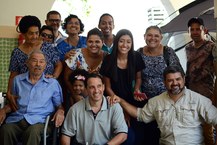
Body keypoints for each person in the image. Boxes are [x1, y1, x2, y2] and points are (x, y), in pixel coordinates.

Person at [109, 65, 217, 145]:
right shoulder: (156, 102)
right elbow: (140, 115)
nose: (175, 83)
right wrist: (121, 101)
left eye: (178, 79)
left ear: (184, 79)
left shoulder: (199, 100)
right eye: (170, 80)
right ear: (164, 82)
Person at [0, 50, 65, 145]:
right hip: (18, 119)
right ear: (27, 63)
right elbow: (13, 104)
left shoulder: (52, 83)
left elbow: (59, 106)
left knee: (32, 132)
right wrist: (3, 110)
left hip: (40, 122)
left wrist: (61, 111)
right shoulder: (17, 80)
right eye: (34, 60)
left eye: (42, 61)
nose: (38, 64)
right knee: (6, 130)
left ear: (45, 65)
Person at [136, 25, 182, 145]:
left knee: (168, 133)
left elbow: (179, 75)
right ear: (144, 37)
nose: (153, 38)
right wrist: (136, 90)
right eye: (149, 35)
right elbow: (137, 77)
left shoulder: (168, 52)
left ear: (161, 37)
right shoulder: (139, 53)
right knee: (150, 136)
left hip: (168, 102)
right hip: (147, 103)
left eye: (156, 36)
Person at [7, 15, 62, 112]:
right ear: (23, 34)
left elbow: (59, 64)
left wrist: (54, 76)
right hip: (26, 93)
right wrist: (9, 93)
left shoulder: (47, 47)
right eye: (30, 33)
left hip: (45, 93)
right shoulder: (17, 53)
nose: (35, 36)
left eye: (37, 33)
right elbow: (13, 75)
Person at [99, 29, 145, 145]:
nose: (125, 45)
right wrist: (122, 108)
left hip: (133, 99)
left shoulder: (136, 56)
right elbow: (107, 88)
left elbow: (139, 78)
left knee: (141, 132)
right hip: (114, 100)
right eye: (121, 41)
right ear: (116, 42)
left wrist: (136, 89)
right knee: (125, 133)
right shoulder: (109, 59)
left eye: (128, 42)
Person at [61, 73, 128, 145]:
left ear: (103, 87)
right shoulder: (75, 109)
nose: (96, 91)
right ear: (86, 89)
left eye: (99, 86)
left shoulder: (114, 107)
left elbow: (123, 134)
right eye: (92, 87)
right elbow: (66, 135)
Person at [185, 17, 217, 145]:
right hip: (192, 95)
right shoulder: (188, 48)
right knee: (195, 130)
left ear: (204, 30)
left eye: (198, 29)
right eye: (192, 29)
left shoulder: (212, 47)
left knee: (208, 129)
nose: (195, 32)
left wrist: (215, 96)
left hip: (208, 94)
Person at [64, 27, 107, 111]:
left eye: (97, 42)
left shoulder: (107, 57)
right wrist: (75, 95)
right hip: (77, 94)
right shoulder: (76, 54)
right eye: (90, 41)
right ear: (86, 42)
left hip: (98, 96)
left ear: (103, 42)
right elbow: (66, 78)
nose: (93, 45)